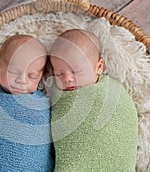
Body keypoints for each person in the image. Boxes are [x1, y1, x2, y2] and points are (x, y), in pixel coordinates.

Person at [50, 29, 138, 172]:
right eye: (59, 73)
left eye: (76, 71)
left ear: (98, 67)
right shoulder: (60, 99)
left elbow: (125, 119)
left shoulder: (111, 92)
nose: (67, 79)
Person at [0, 35, 54, 172]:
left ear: (41, 77)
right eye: (13, 71)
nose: (21, 80)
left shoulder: (41, 104)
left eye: (32, 76)